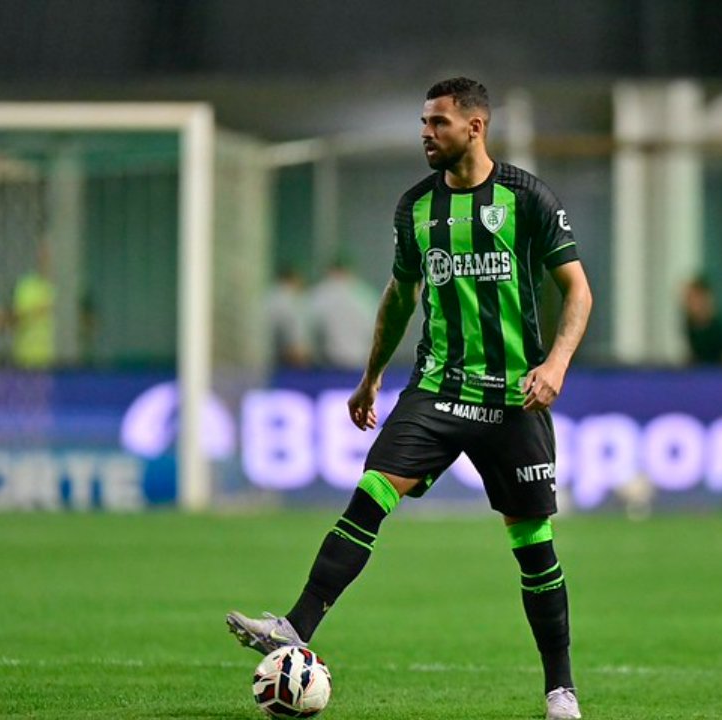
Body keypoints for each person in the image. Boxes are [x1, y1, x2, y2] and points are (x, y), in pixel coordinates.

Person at [226, 78, 594, 720]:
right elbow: (401, 298)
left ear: (475, 127)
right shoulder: (416, 208)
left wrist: (555, 363)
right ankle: (296, 626)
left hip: (514, 399)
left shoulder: (526, 197)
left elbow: (577, 291)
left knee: (533, 543)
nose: (426, 133)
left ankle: (560, 689)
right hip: (437, 388)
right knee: (372, 489)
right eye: (423, 122)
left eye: (438, 123)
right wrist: (370, 378)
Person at [307, 257, 380, 370]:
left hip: (327, 365)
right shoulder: (366, 295)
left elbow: (306, 333)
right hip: (362, 363)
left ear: (330, 271)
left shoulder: (319, 294)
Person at [681, 275, 722, 368]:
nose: (691, 303)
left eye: (695, 297)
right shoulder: (689, 324)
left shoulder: (720, 325)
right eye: (689, 298)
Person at [9, 244, 56, 369]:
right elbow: (15, 317)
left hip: (54, 356)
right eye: (43, 256)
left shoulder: (62, 287)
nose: (47, 261)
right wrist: (38, 310)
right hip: (27, 355)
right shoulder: (27, 285)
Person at [267, 265, 312, 369]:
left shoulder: (268, 299)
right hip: (279, 373)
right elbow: (296, 351)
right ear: (295, 279)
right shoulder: (289, 303)